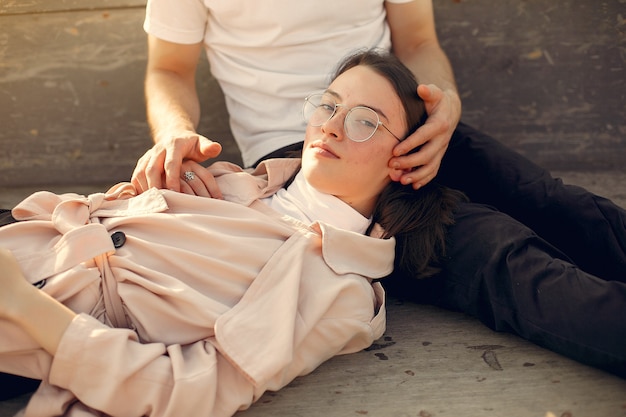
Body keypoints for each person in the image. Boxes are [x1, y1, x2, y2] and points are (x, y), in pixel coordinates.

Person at [132, 0, 626, 378]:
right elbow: (167, 69)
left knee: (558, 204)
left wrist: (444, 104)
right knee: (500, 256)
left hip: (408, 123)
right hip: (304, 155)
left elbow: (417, 43)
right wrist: (174, 132)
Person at [0, 51, 464, 416]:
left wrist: (23, 303)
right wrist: (146, 189)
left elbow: (189, 390)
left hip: (32, 313)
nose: (332, 127)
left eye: (365, 121)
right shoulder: (237, 181)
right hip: (25, 233)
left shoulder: (338, 287)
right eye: (329, 105)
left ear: (408, 158)